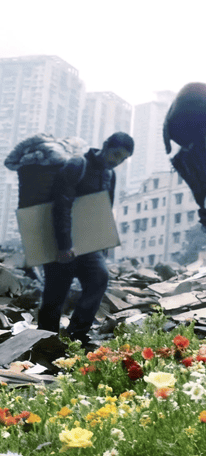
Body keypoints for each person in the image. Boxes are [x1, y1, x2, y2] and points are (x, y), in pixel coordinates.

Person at [37, 132, 134, 349]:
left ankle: (76, 336)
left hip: (88, 245)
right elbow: (61, 205)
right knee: (55, 295)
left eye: (123, 159)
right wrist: (64, 245)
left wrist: (102, 242)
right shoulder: (77, 165)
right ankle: (45, 343)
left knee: (99, 277)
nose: (117, 161)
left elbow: (104, 209)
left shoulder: (110, 175)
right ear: (105, 145)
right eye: (116, 154)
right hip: (61, 241)